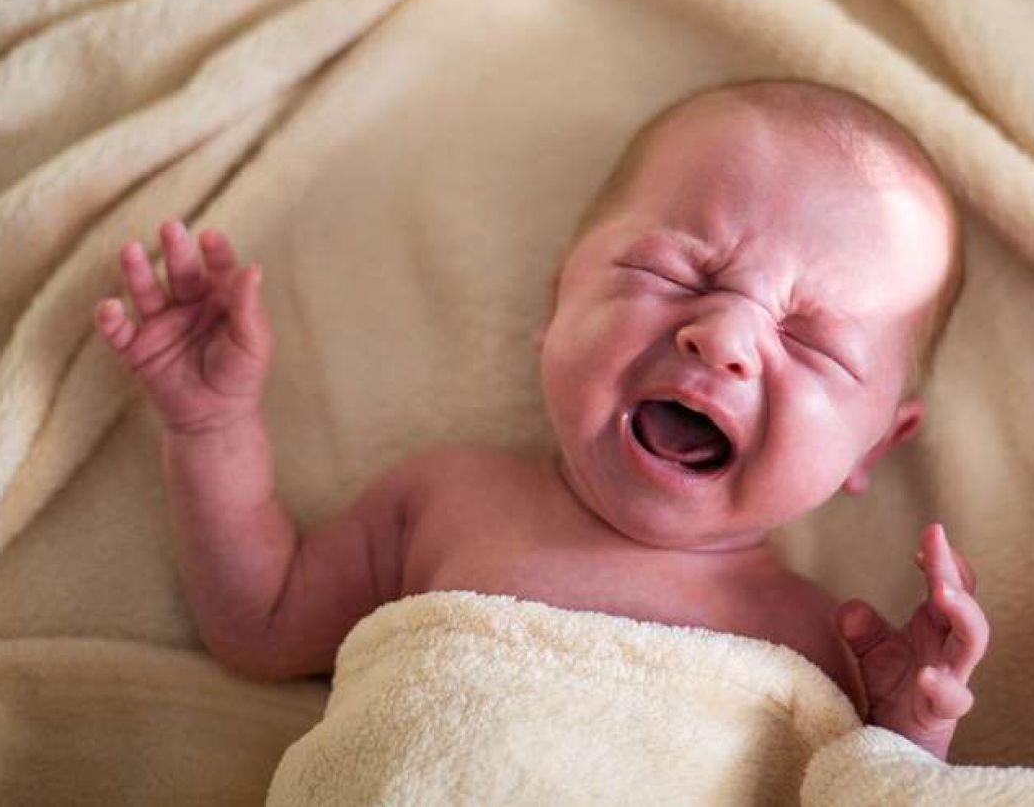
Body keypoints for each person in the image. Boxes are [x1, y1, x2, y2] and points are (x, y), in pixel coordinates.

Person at [92, 78, 987, 761]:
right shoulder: (445, 499)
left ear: (874, 442)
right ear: (558, 301)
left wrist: (907, 736)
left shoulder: (827, 643)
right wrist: (210, 426)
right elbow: (260, 625)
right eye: (676, 275)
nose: (723, 341)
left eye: (812, 341)